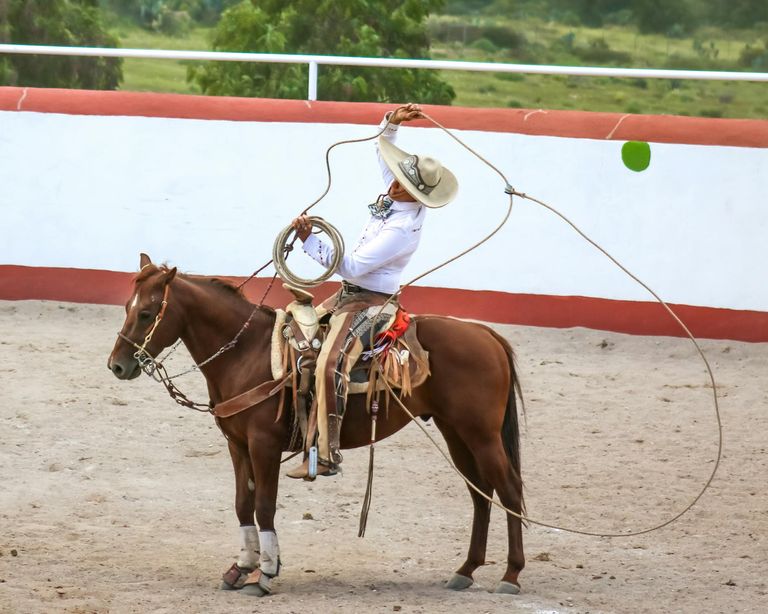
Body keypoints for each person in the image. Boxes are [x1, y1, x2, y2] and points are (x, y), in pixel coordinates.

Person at [286, 103, 458, 479]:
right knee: (295, 331)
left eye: (403, 184)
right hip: (350, 293)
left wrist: (307, 239)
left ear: (419, 196)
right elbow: (382, 149)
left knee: (331, 364)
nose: (394, 184)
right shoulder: (397, 196)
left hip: (370, 302)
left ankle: (326, 454)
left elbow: (353, 266)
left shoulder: (401, 231)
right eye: (397, 179)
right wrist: (391, 122)